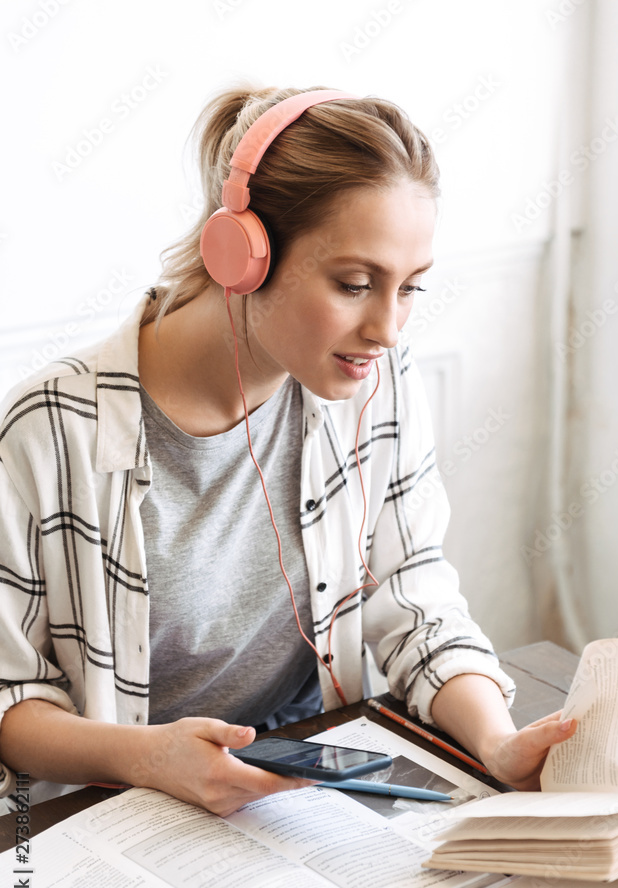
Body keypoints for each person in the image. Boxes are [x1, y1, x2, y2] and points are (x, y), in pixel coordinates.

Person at [0, 86, 576, 817]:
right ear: (240, 255)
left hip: (308, 797)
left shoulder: (376, 383)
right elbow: (9, 700)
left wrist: (496, 744)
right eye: (356, 284)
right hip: (119, 809)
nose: (388, 329)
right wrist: (151, 757)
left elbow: (411, 599)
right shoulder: (50, 428)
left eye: (410, 289)